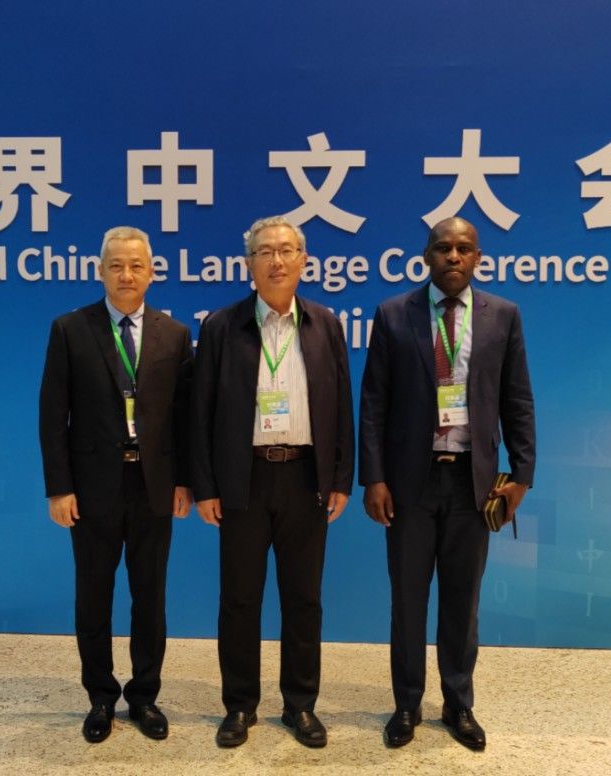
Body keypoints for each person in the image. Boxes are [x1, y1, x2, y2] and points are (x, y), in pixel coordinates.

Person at [358, 216, 535, 751]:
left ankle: (458, 703)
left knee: (463, 601)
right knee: (408, 601)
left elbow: (517, 399)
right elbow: (373, 404)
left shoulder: (503, 315)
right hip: (409, 485)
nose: (453, 256)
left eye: (463, 248)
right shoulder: (394, 314)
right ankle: (406, 704)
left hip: (472, 486)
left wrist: (522, 475)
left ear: (478, 257)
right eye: (442, 248)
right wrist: (374, 478)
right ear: (426, 256)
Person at [190, 215, 354, 749]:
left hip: (306, 477)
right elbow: (200, 412)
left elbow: (342, 405)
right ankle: (240, 705)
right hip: (244, 479)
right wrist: (205, 485)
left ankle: (300, 705)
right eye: (265, 252)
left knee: (304, 599)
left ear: (304, 260)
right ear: (249, 264)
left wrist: (341, 477)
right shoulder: (222, 326)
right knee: (239, 598)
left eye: (287, 251)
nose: (277, 261)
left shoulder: (325, 324)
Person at [38, 226, 193, 744]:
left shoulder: (175, 334)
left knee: (150, 597)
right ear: (100, 271)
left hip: (154, 486)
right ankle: (101, 697)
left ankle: (144, 695)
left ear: (151, 272)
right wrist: (59, 488)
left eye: (136, 265)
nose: (127, 275)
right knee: (93, 596)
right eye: (117, 265)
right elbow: (52, 415)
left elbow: (185, 417)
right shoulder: (70, 329)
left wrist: (185, 481)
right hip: (91, 489)